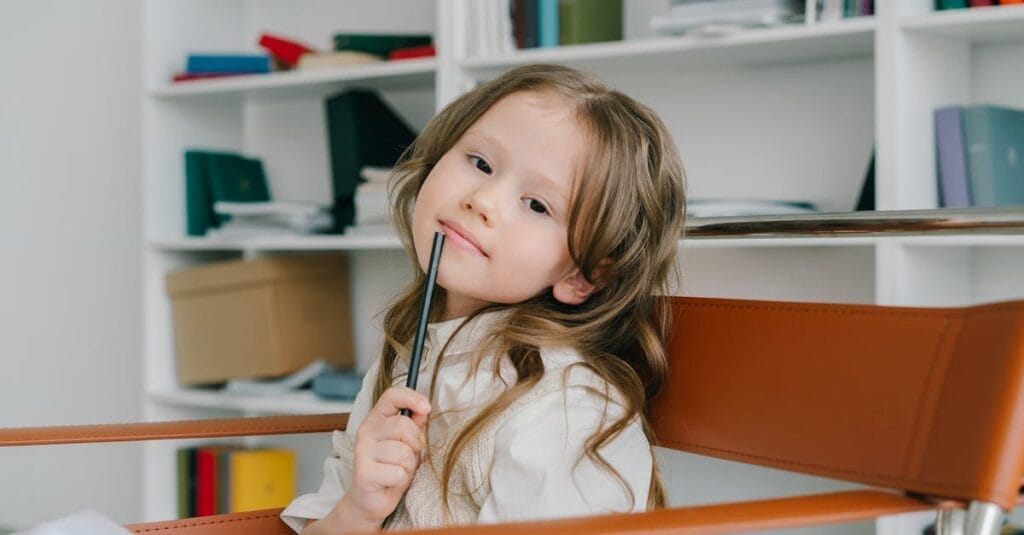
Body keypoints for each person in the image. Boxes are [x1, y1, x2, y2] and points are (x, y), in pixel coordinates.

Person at [281, 63, 687, 533]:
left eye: (537, 205)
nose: (483, 199)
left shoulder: (564, 412)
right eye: (480, 163)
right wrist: (359, 508)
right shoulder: (406, 355)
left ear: (581, 275)